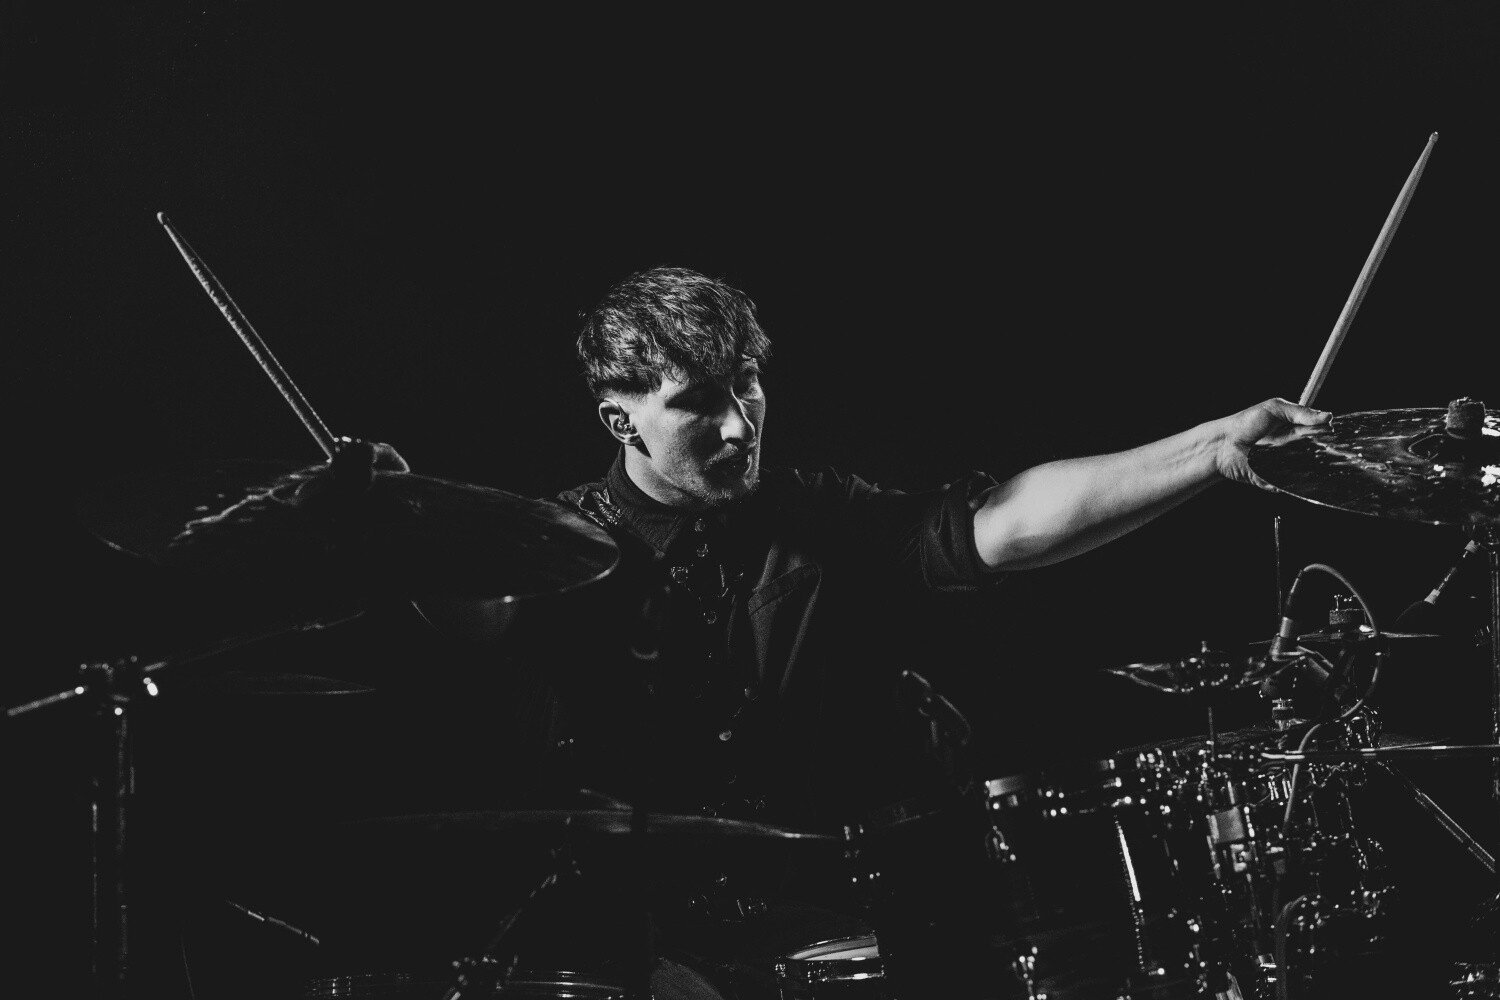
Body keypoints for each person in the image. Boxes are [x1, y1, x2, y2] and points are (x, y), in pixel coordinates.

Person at [341, 265, 1329, 999]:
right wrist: (405, 528)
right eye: (697, 404)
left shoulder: (815, 515)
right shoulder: (560, 543)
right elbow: (475, 612)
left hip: (836, 931)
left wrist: (1213, 447)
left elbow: (1004, 522)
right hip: (633, 949)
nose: (740, 426)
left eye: (747, 385)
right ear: (620, 422)